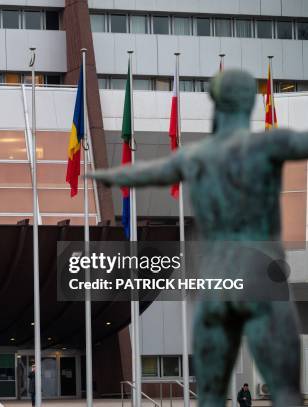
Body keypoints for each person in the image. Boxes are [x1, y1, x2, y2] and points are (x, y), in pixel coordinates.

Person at [89, 70, 303, 407]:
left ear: (216, 102)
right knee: (286, 392)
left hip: (218, 279)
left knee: (211, 397)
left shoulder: (196, 156)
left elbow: (145, 173)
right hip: (261, 274)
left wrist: (104, 174)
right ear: (250, 102)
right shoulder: (268, 145)